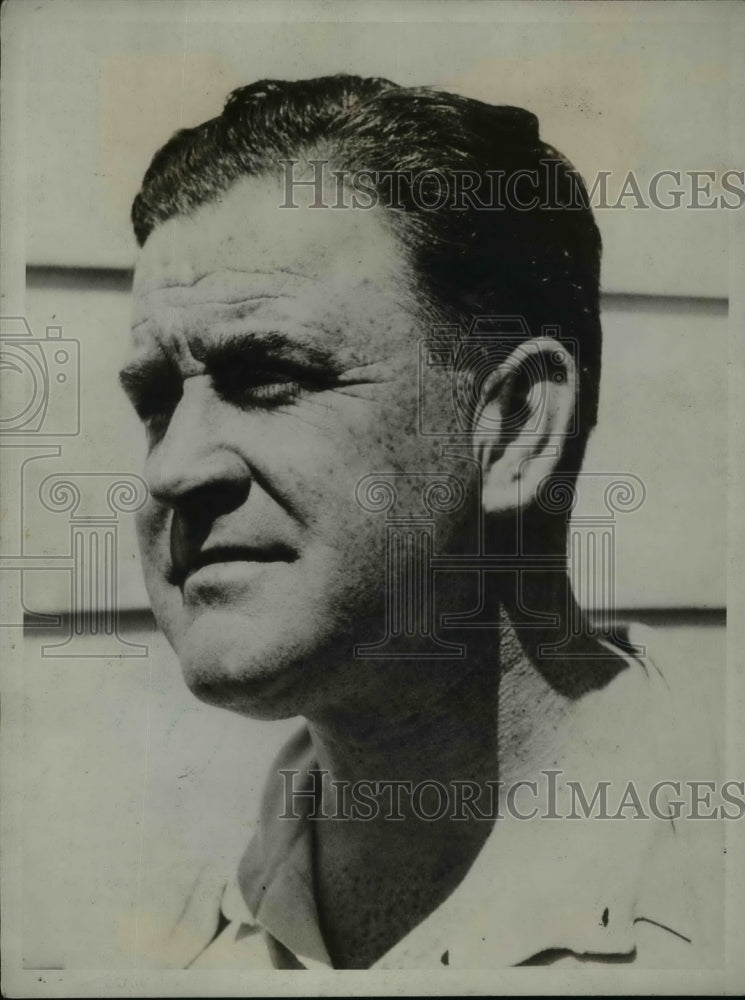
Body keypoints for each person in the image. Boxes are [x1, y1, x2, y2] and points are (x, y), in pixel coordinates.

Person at [119, 75, 713, 969]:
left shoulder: (709, 897)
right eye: (158, 401)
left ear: (513, 428)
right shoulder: (157, 923)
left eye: (271, 375)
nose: (173, 468)